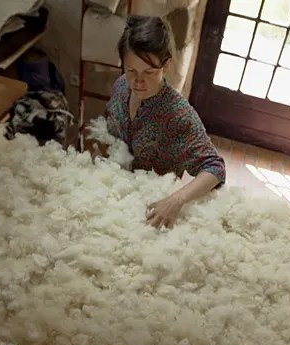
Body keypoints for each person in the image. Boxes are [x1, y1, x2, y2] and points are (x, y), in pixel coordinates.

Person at [85, 15, 226, 229]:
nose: (138, 81)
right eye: (131, 70)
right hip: (112, 198)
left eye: (149, 72)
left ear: (166, 65)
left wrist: (175, 201)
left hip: (149, 212)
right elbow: (108, 126)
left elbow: (215, 168)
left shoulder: (178, 115)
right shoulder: (121, 86)